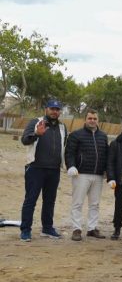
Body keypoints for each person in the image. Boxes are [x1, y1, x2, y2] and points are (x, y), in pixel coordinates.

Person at [19, 100, 68, 241]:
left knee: (49, 201)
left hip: (54, 170)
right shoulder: (36, 122)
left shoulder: (63, 127)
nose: (55, 111)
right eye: (52, 108)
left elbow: (64, 146)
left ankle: (47, 228)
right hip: (35, 168)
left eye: (57, 109)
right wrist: (36, 134)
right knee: (30, 200)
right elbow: (24, 140)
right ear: (46, 109)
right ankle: (25, 230)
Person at [65, 109, 110, 241]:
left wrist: (107, 171)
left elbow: (106, 154)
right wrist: (71, 166)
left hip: (98, 175)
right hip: (81, 174)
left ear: (98, 120)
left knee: (95, 204)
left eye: (95, 118)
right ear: (85, 119)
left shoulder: (103, 136)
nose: (92, 121)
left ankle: (92, 228)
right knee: (77, 203)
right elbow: (69, 153)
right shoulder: (76, 135)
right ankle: (76, 229)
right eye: (90, 118)